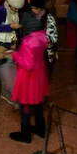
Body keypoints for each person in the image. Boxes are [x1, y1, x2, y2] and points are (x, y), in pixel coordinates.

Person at [8, 12, 49, 144]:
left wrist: (15, 55)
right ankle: (40, 129)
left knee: (24, 105)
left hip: (28, 78)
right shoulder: (42, 36)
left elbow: (28, 64)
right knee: (38, 104)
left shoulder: (28, 42)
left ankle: (25, 134)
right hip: (39, 75)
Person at [0, 0, 25, 108]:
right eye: (15, 8)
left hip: (12, 42)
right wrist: (11, 26)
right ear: (9, 4)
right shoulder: (0, 11)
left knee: (9, 68)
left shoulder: (16, 10)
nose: (16, 10)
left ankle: (6, 92)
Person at [29, 0, 58, 78]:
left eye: (36, 8)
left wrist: (40, 39)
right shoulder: (30, 16)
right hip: (32, 54)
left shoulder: (49, 18)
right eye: (32, 8)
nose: (34, 10)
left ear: (41, 7)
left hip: (45, 54)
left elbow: (54, 37)